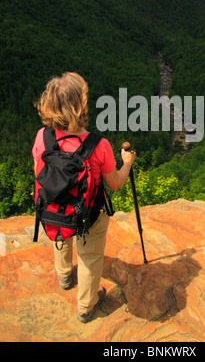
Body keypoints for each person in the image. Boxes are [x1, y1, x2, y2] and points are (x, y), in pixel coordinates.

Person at [32, 72, 136, 323]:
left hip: (53, 210)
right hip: (88, 215)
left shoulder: (42, 137)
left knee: (61, 231)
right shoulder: (98, 145)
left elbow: (39, 173)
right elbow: (114, 183)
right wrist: (127, 163)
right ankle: (86, 306)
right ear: (80, 106)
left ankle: (65, 275)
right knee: (90, 257)